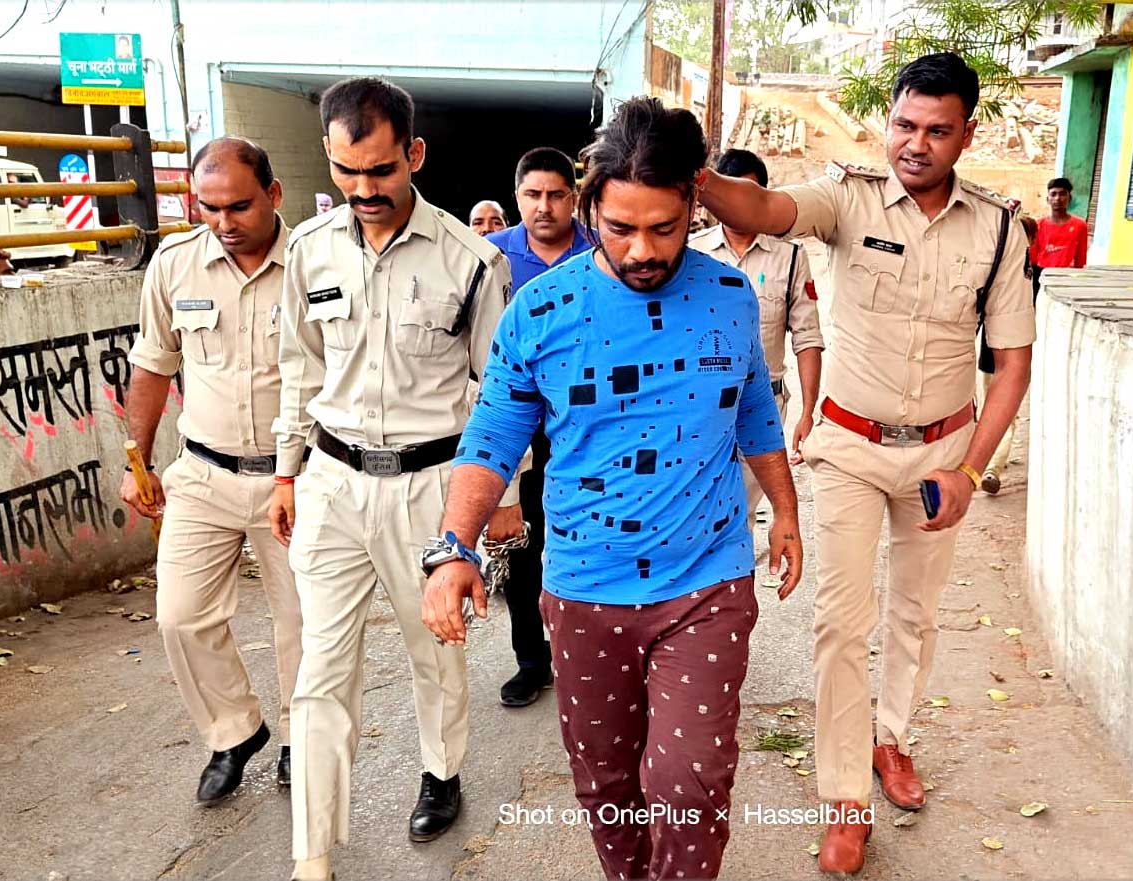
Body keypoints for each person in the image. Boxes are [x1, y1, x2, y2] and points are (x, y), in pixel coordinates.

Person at [422, 96, 803, 881]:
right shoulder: (539, 311)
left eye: (664, 227)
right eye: (620, 226)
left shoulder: (730, 296)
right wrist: (454, 545)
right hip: (583, 587)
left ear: (693, 203)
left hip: (707, 579)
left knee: (688, 781)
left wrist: (787, 512)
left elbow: (754, 411)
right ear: (590, 204)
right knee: (607, 783)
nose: (641, 249)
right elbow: (492, 437)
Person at [698, 52, 1035, 875]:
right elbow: (765, 206)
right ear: (888, 121)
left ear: (966, 134)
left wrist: (971, 469)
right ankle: (846, 798)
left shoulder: (998, 229)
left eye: (937, 130)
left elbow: (1012, 365)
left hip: (941, 452)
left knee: (914, 614)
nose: (916, 143)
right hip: (848, 448)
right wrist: (696, 177)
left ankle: (892, 738)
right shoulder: (845, 198)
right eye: (904, 125)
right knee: (841, 624)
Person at [269, 77, 522, 881]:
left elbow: (501, 392)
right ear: (328, 157)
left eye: (381, 169)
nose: (364, 188)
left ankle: (441, 771)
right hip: (333, 482)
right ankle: (312, 852)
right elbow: (299, 368)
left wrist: (505, 500)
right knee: (320, 666)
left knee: (433, 648)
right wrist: (286, 471)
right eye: (347, 171)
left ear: (413, 153)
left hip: (430, 485)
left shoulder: (472, 260)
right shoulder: (308, 251)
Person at [121, 137, 302, 805]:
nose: (224, 222)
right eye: (209, 207)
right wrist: (136, 459)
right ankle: (234, 731)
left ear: (273, 194)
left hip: (297, 477)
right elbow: (153, 365)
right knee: (180, 616)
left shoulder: (314, 264)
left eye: (239, 206)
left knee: (304, 620)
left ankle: (301, 737)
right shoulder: (174, 266)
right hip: (202, 470)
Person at [483, 146, 592, 708]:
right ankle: (532, 661)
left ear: (574, 197)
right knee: (524, 551)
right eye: (532, 195)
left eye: (556, 195)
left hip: (589, 429)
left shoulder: (601, 252)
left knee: (589, 543)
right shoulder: (491, 260)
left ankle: (591, 657)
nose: (544, 206)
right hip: (522, 433)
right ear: (516, 197)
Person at [689, 148, 824, 529]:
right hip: (701, 403)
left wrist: (807, 411)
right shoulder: (692, 252)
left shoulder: (790, 257)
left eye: (747, 195)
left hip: (762, 404)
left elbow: (807, 337)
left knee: (740, 512)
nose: (737, 206)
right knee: (699, 507)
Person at [977, 214, 1037, 494]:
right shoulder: (992, 271)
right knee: (986, 411)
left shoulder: (1036, 278)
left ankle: (992, 468)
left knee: (1004, 414)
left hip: (1014, 362)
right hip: (988, 358)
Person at [1031, 177, 1087, 274]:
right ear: (1047, 199)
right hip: (1042, 274)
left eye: (1062, 194)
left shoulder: (1080, 225)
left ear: (1070, 198)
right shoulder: (1038, 225)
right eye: (1053, 194)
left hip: (1067, 275)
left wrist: (1079, 276)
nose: (1057, 198)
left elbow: (1081, 258)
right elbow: (1032, 257)